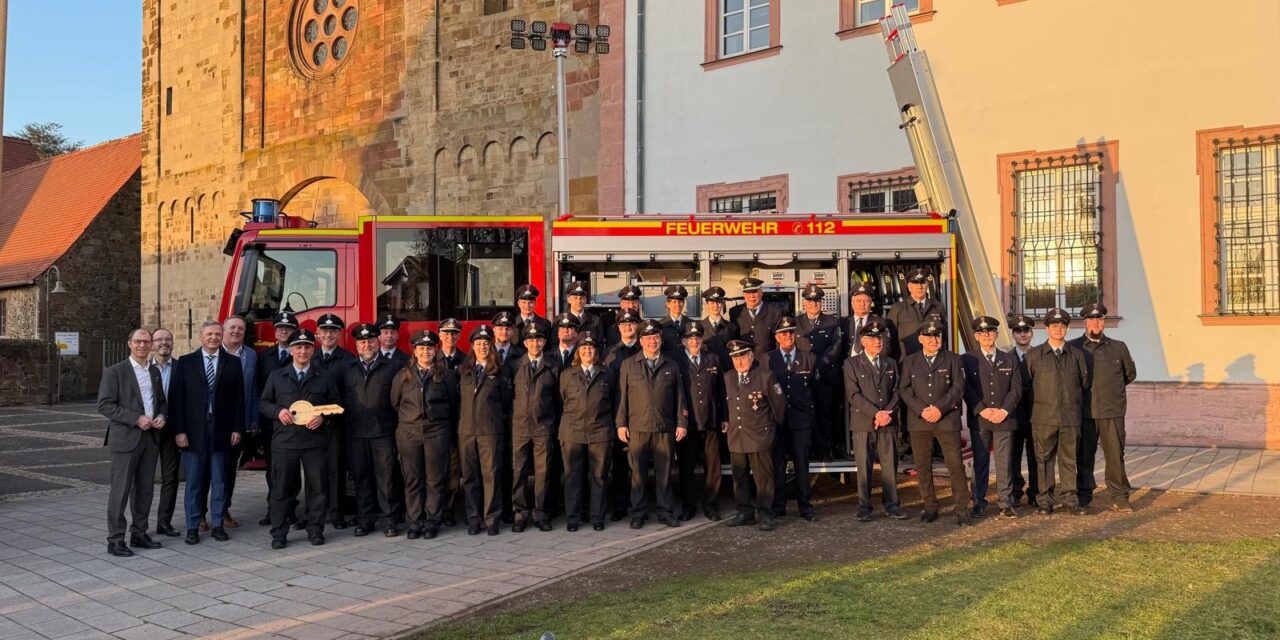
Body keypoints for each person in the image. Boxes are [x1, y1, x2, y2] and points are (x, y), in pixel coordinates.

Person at [260, 328, 340, 548]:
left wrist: (322, 417)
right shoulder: (277, 376)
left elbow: (335, 404)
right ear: (292, 350)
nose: (302, 351)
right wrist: (278, 412)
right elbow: (264, 403)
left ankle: (315, 530)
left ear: (313, 350)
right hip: (285, 442)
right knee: (282, 489)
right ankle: (279, 533)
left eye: (306, 347)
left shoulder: (323, 376)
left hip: (314, 441)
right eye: (298, 347)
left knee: (317, 488)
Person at [169, 321, 245, 544]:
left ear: (222, 337)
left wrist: (237, 428)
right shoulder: (186, 362)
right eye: (209, 334)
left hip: (221, 430)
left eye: (217, 334)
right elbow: (177, 400)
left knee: (220, 480)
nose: (213, 337)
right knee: (194, 481)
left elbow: (239, 399)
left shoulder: (233, 362)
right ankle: (193, 526)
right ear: (201, 336)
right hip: (193, 432)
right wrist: (179, 430)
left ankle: (219, 524)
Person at [97, 329, 168, 557]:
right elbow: (105, 404)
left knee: (145, 489)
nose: (142, 345)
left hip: (150, 439)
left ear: (152, 346)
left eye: (146, 342)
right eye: (137, 341)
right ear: (129, 344)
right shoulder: (115, 372)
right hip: (126, 438)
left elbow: (163, 403)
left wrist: (162, 416)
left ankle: (139, 533)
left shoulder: (155, 371)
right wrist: (135, 418)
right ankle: (115, 539)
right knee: (121, 490)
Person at [616, 319, 688, 529]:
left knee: (664, 473)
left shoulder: (671, 365)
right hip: (637, 428)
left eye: (655, 337)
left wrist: (682, 422)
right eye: (647, 338)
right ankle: (638, 513)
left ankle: (665, 512)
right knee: (637, 473)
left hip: (664, 428)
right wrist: (621, 423)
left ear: (660, 339)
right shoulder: (629, 365)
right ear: (641, 341)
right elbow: (622, 397)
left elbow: (680, 397)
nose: (652, 341)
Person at [899, 320, 972, 525]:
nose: (934, 340)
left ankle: (962, 508)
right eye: (929, 336)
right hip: (919, 420)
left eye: (937, 336)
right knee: (923, 466)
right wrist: (922, 410)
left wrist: (939, 409)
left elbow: (958, 388)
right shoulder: (910, 362)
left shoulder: (953, 359)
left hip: (946, 419)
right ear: (921, 339)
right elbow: (904, 389)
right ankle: (930, 506)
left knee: (955, 465)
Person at [390, 330, 460, 540]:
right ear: (415, 351)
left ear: (435, 350)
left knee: (435, 480)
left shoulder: (445, 375)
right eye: (421, 348)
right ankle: (414, 522)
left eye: (429, 348)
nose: (425, 352)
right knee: (413, 479)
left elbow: (454, 403)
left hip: (436, 433)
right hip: (409, 433)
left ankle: (432, 522)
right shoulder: (404, 375)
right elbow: (394, 402)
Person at [1068, 303, 1137, 512]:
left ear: (1104, 322)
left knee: (1115, 456)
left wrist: (1111, 393)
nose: (1096, 323)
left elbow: (1129, 374)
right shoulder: (1073, 347)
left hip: (1112, 411)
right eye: (1091, 320)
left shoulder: (1119, 347)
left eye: (1099, 319)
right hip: (1084, 412)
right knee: (1084, 456)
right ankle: (1084, 496)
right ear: (1085, 323)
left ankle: (1119, 496)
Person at [1024, 308, 1090, 517]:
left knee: (1069, 460)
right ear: (1047, 328)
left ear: (1067, 328)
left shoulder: (1077, 355)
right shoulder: (1034, 355)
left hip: (1070, 417)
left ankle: (1070, 499)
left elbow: (1084, 382)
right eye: (1054, 325)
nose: (1058, 329)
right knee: (1043, 460)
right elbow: (1026, 385)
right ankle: (1045, 500)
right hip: (1043, 418)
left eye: (1062, 325)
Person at [340, 322, 403, 537]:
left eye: (370, 341)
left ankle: (389, 520)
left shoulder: (392, 367)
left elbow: (398, 401)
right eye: (362, 342)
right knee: (361, 478)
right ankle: (365, 520)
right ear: (356, 345)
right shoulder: (347, 369)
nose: (366, 345)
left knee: (387, 479)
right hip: (356, 433)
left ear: (377, 342)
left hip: (383, 432)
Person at [843, 320, 908, 521]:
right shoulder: (851, 364)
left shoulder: (890, 363)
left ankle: (892, 505)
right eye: (872, 338)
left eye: (880, 337)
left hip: (888, 422)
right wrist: (875, 413)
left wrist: (886, 412)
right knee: (864, 466)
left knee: (889, 465)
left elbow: (898, 391)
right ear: (863, 341)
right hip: (864, 422)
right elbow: (853, 395)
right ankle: (864, 507)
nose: (877, 341)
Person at [961, 316, 1024, 519]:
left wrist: (1004, 411)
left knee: (1004, 462)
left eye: (990, 332)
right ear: (976, 336)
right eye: (982, 333)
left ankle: (1005, 502)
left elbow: (1016, 389)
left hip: (1004, 418)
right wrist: (981, 409)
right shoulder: (967, 359)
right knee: (980, 461)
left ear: (996, 334)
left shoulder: (1010, 359)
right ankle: (978, 501)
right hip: (981, 419)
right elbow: (966, 389)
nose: (986, 335)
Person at [722, 339, 787, 531]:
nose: (739, 361)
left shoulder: (766, 376)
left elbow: (780, 407)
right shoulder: (728, 377)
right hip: (736, 436)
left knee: (763, 479)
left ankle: (766, 513)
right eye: (735, 358)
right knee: (739, 477)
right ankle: (744, 512)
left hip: (760, 436)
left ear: (751, 357)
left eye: (743, 357)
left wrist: (772, 430)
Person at [457, 325, 512, 535]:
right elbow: (457, 402)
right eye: (478, 344)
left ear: (491, 346)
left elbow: (506, 401)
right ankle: (473, 518)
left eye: (486, 344)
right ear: (472, 346)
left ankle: (492, 519)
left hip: (490, 431)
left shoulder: (500, 370)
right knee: (470, 477)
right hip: (467, 431)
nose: (482, 347)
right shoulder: (464, 369)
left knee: (491, 476)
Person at [559, 331, 615, 531]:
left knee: (599, 477)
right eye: (583, 348)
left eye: (591, 348)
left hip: (600, 432)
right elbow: (561, 402)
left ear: (596, 351)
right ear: (578, 351)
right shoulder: (567, 375)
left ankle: (597, 517)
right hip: (572, 432)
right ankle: (573, 518)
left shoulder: (607, 374)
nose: (587, 351)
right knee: (573, 477)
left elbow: (614, 402)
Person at [510, 324, 562, 532]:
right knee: (519, 472)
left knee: (544, 472)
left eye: (539, 340)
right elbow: (508, 398)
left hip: (544, 427)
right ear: (524, 343)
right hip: (520, 427)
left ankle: (541, 513)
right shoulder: (514, 366)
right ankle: (520, 513)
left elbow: (560, 399)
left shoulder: (554, 366)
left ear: (544, 342)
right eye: (531, 340)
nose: (535, 343)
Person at [767, 316, 818, 522]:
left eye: (790, 332)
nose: (787, 336)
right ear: (777, 337)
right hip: (777, 421)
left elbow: (813, 390)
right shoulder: (767, 359)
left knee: (801, 464)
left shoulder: (809, 358)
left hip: (800, 420)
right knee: (777, 464)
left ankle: (805, 506)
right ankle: (778, 506)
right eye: (783, 333)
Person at [674, 322, 726, 521]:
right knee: (686, 468)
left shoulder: (713, 359)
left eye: (697, 338)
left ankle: (711, 506)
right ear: (683, 341)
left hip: (711, 421)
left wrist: (724, 418)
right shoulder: (676, 361)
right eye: (690, 338)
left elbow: (722, 391)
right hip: (688, 423)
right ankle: (689, 507)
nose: (694, 341)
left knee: (713, 467)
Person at [255, 311, 298, 527]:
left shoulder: (301, 353)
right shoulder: (264, 357)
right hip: (272, 423)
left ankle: (291, 509)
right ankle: (273, 509)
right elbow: (259, 391)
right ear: (275, 331)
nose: (284, 331)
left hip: (297, 425)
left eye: (288, 328)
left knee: (293, 471)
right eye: (280, 328)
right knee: (273, 469)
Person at [312, 313, 354, 529]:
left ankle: (336, 514)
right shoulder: (310, 356)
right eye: (324, 331)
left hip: (336, 423)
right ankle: (313, 514)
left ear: (339, 334)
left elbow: (349, 393)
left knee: (336, 469)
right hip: (311, 425)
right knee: (313, 470)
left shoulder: (348, 360)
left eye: (333, 331)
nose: (328, 335)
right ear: (318, 334)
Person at [796, 284, 843, 460]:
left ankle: (825, 450)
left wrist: (819, 366)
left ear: (821, 302)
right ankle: (807, 451)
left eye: (817, 301)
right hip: (802, 376)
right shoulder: (796, 322)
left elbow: (835, 347)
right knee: (805, 414)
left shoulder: (832, 322)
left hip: (826, 377)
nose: (814, 304)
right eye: (810, 301)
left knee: (825, 414)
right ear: (804, 303)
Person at [603, 309, 642, 520]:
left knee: (639, 464)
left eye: (632, 323)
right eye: (624, 324)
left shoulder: (643, 349)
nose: (628, 327)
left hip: (640, 415)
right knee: (618, 465)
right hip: (617, 415)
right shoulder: (609, 354)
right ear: (618, 328)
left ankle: (639, 506)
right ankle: (619, 506)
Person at [148, 327, 181, 538]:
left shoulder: (182, 368)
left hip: (172, 430)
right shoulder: (143, 368)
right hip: (148, 430)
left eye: (168, 339)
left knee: (171, 478)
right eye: (159, 339)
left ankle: (164, 522)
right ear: (152, 344)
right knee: (144, 479)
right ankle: (140, 523)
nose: (163, 343)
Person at [1008, 314, 1039, 506]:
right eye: (1018, 331)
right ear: (1013, 334)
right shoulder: (1006, 358)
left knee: (1036, 456)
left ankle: (1036, 492)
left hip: (1036, 414)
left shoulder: (1041, 355)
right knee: (1013, 456)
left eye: (1026, 331)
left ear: (1032, 333)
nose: (1023, 334)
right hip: (1014, 415)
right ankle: (1015, 491)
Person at [886, 268, 947, 358]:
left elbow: (944, 335)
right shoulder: (898, 308)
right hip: (906, 362)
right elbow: (889, 338)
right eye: (915, 283)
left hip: (934, 360)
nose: (919, 287)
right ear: (909, 287)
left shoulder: (938, 307)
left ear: (927, 285)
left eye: (923, 283)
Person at [729, 277, 782, 361]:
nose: (751, 296)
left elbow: (780, 341)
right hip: (743, 362)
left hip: (767, 362)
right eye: (748, 293)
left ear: (761, 292)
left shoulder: (775, 312)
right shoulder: (735, 312)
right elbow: (733, 338)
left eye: (754, 292)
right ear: (744, 294)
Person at [698, 286, 739, 366]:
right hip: (706, 370)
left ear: (722, 304)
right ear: (706, 304)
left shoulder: (732, 327)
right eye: (712, 303)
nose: (715, 306)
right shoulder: (699, 327)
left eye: (718, 302)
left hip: (726, 370)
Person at [657, 285, 692, 357]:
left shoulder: (691, 324)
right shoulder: (660, 325)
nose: (677, 304)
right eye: (674, 302)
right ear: (668, 304)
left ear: (683, 303)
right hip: (668, 365)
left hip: (687, 366)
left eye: (680, 301)